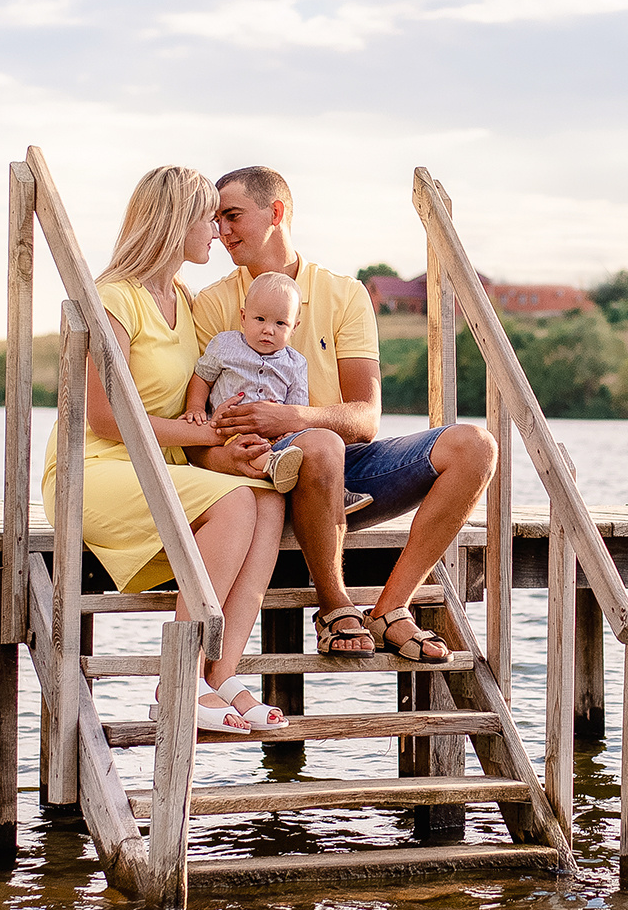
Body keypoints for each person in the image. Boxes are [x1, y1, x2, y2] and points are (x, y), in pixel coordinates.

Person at [188, 165, 496, 665]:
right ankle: (335, 607)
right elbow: (196, 417)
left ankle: (391, 608)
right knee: (320, 443)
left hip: (344, 473)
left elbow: (365, 417)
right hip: (250, 475)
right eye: (216, 218)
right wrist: (237, 451)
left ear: (277, 213)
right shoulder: (211, 303)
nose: (221, 230)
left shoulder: (344, 294)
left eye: (232, 215)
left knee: (475, 446)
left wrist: (293, 418)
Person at [41, 164, 289, 733]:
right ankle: (176, 683)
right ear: (176, 222)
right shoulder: (112, 299)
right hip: (94, 470)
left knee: (268, 499)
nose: (217, 231)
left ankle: (219, 675)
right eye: (208, 216)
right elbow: (105, 419)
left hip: (161, 470)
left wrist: (241, 426)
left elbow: (209, 382)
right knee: (235, 503)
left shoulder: (182, 296)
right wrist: (211, 434)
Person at [180, 269, 309, 497]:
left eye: (280, 323)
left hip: (271, 436)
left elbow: (296, 409)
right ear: (243, 317)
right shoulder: (225, 345)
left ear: (294, 327)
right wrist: (196, 407)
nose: (268, 330)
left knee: (295, 447)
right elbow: (202, 377)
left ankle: (279, 464)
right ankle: (273, 465)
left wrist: (285, 431)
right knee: (249, 447)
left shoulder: (295, 364)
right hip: (227, 429)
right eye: (259, 319)